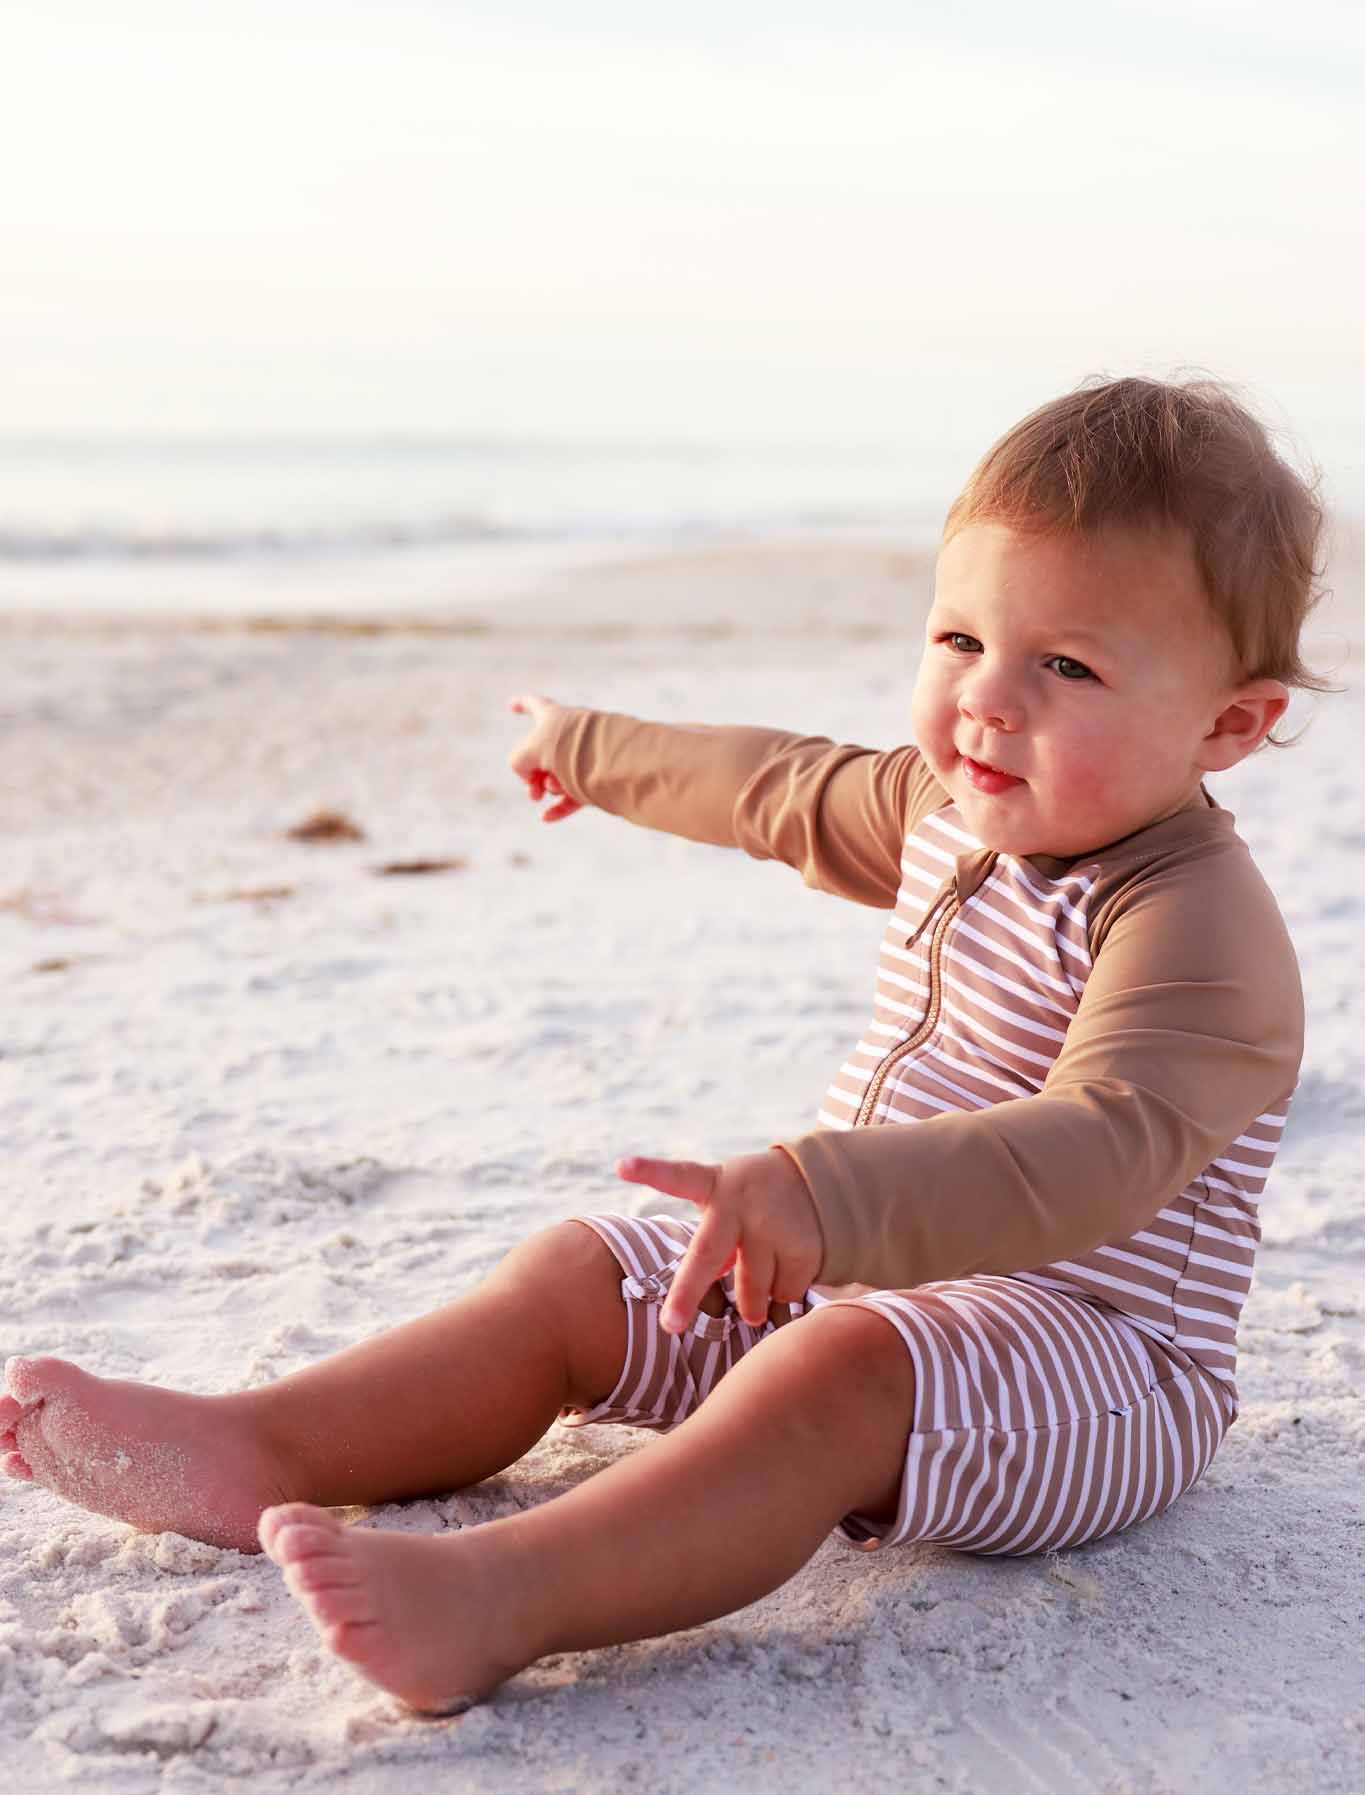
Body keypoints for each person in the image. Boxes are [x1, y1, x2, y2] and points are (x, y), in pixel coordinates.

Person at [0, 377, 1328, 1717]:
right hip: (853, 1265)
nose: (982, 699)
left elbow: (1098, 1152)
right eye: (958, 635)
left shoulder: (1195, 927)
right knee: (584, 1275)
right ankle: (260, 1446)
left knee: (827, 1374)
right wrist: (590, 749)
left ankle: (498, 1598)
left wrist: (827, 1198)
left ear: (1229, 722)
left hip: (1088, 1362)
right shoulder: (949, 811)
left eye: (1066, 666)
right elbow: (770, 786)